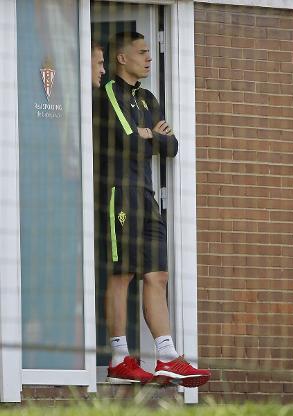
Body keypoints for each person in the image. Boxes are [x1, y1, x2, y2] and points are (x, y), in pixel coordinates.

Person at [92, 31, 210, 386]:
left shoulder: (148, 97)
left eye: (149, 52)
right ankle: (118, 358)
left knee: (158, 276)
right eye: (141, 52)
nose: (148, 58)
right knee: (122, 275)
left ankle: (168, 357)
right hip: (120, 193)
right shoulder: (109, 91)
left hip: (147, 195)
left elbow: (171, 146)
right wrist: (149, 137)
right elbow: (129, 141)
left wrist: (152, 136)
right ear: (121, 58)